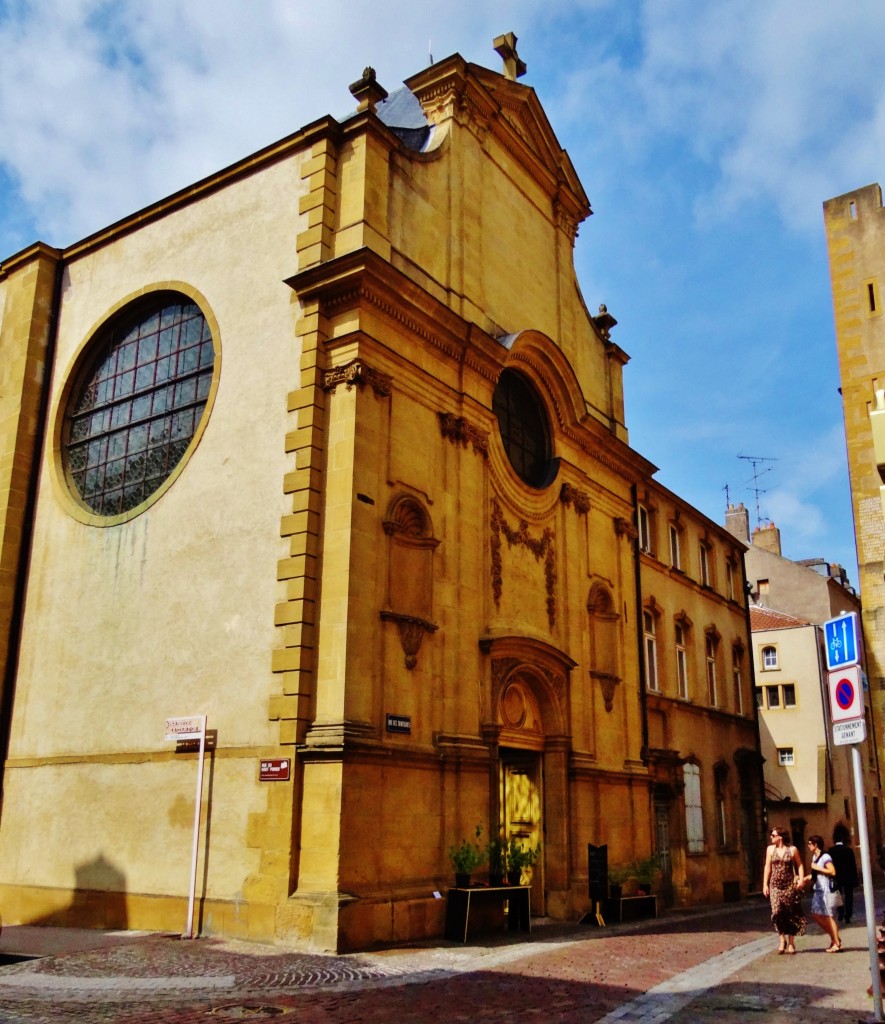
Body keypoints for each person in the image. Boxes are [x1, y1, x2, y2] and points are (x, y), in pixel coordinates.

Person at [763, 826, 806, 953]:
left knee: (790, 913)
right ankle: (782, 940)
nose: (771, 837)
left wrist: (801, 879)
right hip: (775, 885)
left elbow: (800, 865)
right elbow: (767, 867)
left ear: (780, 837)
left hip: (789, 885)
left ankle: (791, 943)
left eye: (773, 835)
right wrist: (765, 884)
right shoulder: (770, 850)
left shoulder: (792, 850)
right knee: (777, 913)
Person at [806, 834, 842, 952]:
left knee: (829, 916)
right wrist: (805, 879)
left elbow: (832, 871)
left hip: (826, 888)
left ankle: (837, 943)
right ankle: (833, 937)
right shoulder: (814, 857)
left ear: (816, 845)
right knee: (815, 914)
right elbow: (816, 874)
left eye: (810, 843)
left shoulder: (825, 856)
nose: (808, 846)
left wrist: (817, 867)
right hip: (818, 889)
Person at [828, 824, 859, 925]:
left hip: (836, 877)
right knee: (849, 896)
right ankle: (848, 915)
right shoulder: (848, 850)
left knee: (838, 896)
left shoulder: (831, 851)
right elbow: (853, 866)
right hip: (848, 877)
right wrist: (855, 880)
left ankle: (841, 913)